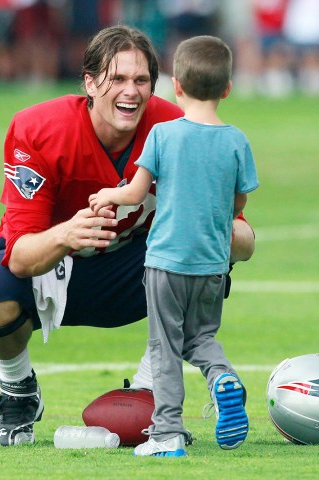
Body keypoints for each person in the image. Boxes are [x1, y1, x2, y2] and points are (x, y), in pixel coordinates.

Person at [0, 24, 255, 447]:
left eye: (141, 80)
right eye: (117, 79)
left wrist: (228, 236)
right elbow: (18, 257)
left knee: (218, 246)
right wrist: (67, 233)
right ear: (89, 82)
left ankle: (149, 389)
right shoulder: (39, 128)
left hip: (140, 269)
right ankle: (18, 390)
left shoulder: (179, 127)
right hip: (56, 265)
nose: (131, 91)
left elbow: (240, 231)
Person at [89, 35, 259, 457]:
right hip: (213, 265)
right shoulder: (237, 141)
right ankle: (221, 377)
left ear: (176, 85)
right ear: (227, 89)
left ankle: (166, 434)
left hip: (166, 263)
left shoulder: (163, 135)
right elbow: (238, 204)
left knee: (164, 348)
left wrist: (107, 196)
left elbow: (134, 193)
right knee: (201, 338)